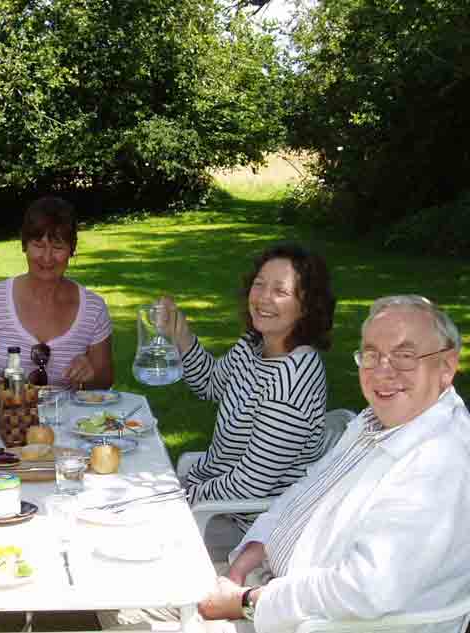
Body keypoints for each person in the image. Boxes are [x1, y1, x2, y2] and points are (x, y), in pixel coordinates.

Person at [194, 295, 469, 633]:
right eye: (371, 354)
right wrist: (244, 560)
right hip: (266, 585)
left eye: (405, 356)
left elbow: (364, 590)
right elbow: (304, 491)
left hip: (313, 621)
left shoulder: (437, 462)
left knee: (133, 611)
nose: (383, 371)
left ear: (446, 368)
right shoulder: (377, 420)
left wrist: (246, 601)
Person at [159, 243, 335, 543]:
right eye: (259, 284)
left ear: (306, 306)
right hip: (215, 501)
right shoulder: (254, 346)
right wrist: (182, 336)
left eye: (280, 291)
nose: (264, 297)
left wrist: (180, 495)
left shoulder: (293, 380)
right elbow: (211, 384)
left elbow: (249, 486)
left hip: (248, 527)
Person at [0, 195, 114, 389]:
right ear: (24, 246)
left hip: (67, 417)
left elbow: (104, 382)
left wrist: (91, 373)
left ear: (72, 250)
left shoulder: (93, 309)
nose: (47, 258)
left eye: (58, 247)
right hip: (0, 416)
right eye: (38, 245)